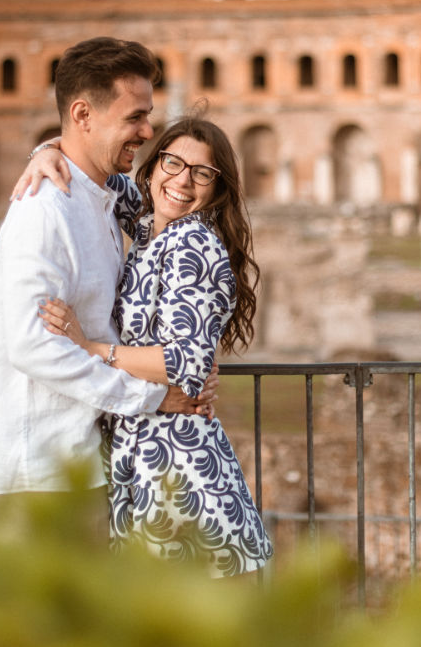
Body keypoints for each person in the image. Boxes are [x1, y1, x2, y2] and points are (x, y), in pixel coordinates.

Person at [0, 38, 218, 536]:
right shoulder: (44, 210)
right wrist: (150, 397)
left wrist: (47, 147)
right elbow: (32, 346)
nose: (148, 132)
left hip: (74, 459)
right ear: (83, 114)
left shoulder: (100, 195)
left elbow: (164, 199)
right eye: (135, 117)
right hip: (37, 468)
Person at [17, 114, 273, 578]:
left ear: (217, 188)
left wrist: (88, 347)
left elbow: (185, 365)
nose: (182, 181)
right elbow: (95, 161)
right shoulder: (148, 226)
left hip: (180, 469)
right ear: (153, 168)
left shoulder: (192, 244)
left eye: (203, 173)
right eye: (173, 163)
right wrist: (46, 151)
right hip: (146, 457)